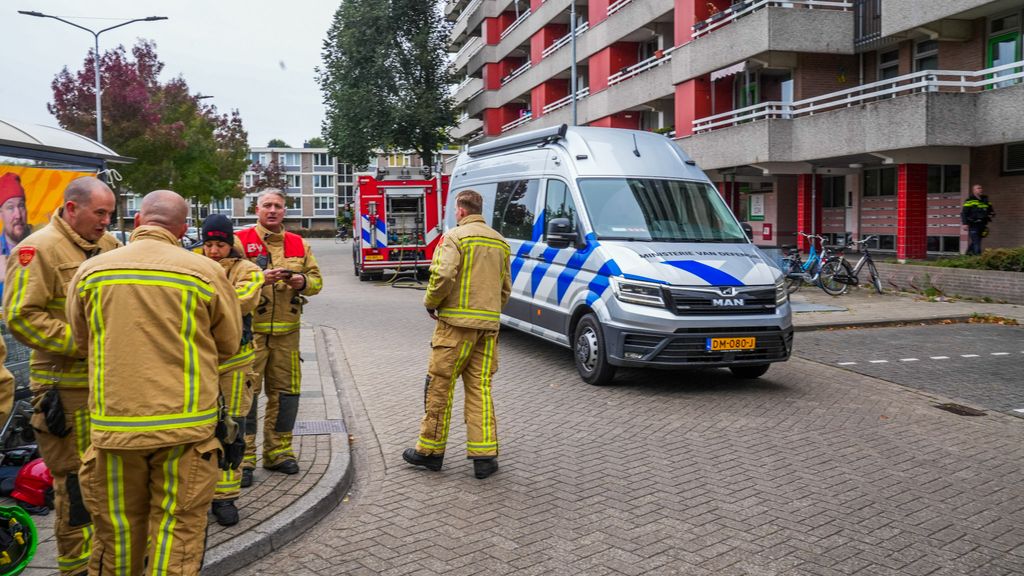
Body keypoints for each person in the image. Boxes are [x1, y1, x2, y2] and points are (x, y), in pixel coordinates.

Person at [66, 190, 241, 576]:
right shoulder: (206, 272)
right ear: (182, 230)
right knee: (176, 533)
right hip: (186, 432)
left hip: (114, 432)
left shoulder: (91, 271)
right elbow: (228, 344)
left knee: (117, 536)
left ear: (138, 221)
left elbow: (81, 342)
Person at [3, 176, 120, 576]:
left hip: (106, 387)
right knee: (73, 484)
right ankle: (75, 567)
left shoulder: (109, 246)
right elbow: (21, 317)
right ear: (72, 209)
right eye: (99, 212)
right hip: (63, 393)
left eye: (110, 212)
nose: (107, 221)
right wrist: (85, 343)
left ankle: (105, 559)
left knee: (106, 478)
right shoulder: (37, 250)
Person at [402, 189, 511, 480]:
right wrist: (487, 313)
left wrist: (431, 303)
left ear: (460, 211)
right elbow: (505, 288)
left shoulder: (454, 237)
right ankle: (484, 457)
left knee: (440, 385)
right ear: (479, 209)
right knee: (480, 389)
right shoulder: (500, 242)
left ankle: (430, 452)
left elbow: (443, 275)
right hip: (488, 329)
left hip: (454, 328)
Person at [235, 189, 321, 485]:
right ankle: (243, 459)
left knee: (285, 395)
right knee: (246, 396)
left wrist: (302, 281)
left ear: (285, 211)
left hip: (288, 335)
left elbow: (317, 281)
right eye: (267, 206)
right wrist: (259, 278)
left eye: (278, 206)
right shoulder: (240, 242)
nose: (273, 210)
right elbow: (225, 278)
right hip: (251, 335)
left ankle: (279, 453)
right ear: (256, 209)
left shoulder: (299, 243)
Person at [196, 214, 264, 526]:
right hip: (200, 361)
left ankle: (226, 497)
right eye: (208, 244)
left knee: (231, 427)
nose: (212, 250)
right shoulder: (190, 262)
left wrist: (199, 301)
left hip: (235, 365)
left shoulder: (247, 269)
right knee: (200, 430)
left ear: (230, 243)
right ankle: (200, 492)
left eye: (219, 244)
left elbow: (243, 301)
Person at [0, 172, 34, 296]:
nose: (18, 215)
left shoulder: (42, 243)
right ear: (1, 213)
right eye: (10, 208)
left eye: (21, 206)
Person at [961, 184, 995, 255]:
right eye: (978, 188)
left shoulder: (986, 200)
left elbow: (991, 211)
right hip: (973, 224)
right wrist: (964, 224)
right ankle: (978, 257)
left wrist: (992, 214)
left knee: (976, 241)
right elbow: (964, 213)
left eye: (981, 188)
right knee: (977, 242)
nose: (981, 189)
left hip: (983, 225)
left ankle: (967, 256)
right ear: (974, 191)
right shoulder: (969, 201)